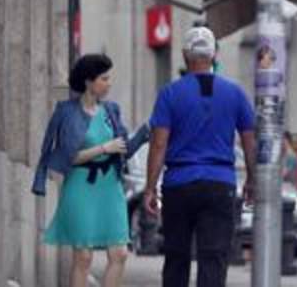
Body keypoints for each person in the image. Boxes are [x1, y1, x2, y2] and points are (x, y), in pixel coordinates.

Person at [143, 26, 256, 287]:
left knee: (176, 256)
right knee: (214, 257)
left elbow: (159, 144)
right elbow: (250, 142)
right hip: (220, 183)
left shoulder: (169, 94)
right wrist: (251, 180)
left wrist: (150, 188)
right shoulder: (235, 93)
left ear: (185, 55)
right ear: (214, 55)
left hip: (178, 184)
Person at [33, 54, 149, 287]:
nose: (109, 83)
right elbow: (67, 156)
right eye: (104, 78)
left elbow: (123, 149)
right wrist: (103, 148)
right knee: (83, 257)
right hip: (80, 186)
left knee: (120, 254)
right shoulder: (67, 112)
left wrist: (145, 133)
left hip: (110, 187)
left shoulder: (111, 111)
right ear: (88, 82)